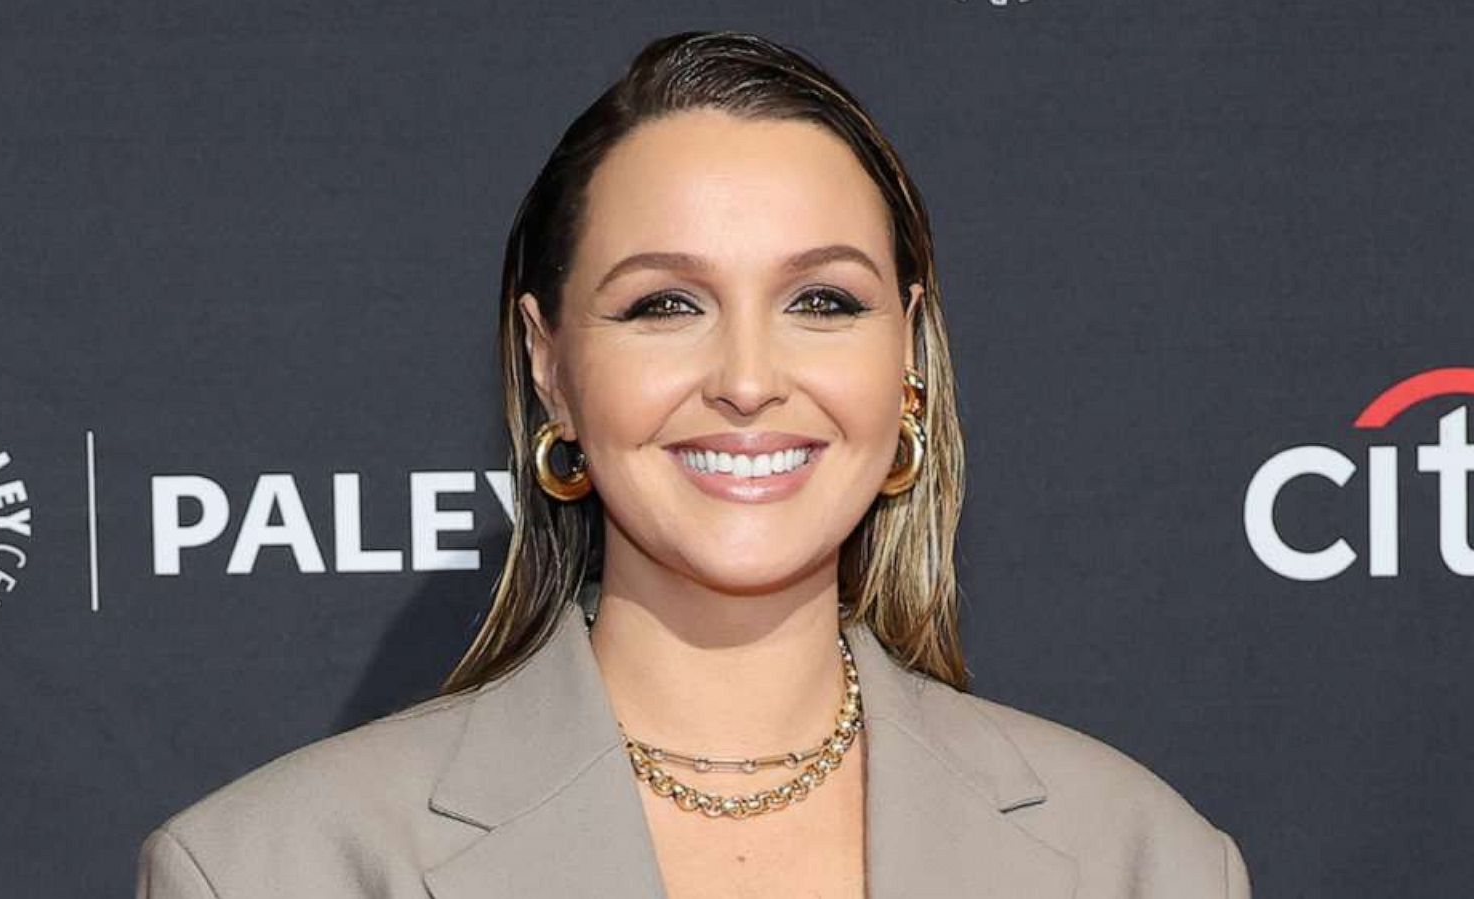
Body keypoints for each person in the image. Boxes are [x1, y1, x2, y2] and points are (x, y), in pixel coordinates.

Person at [136, 29, 1252, 898]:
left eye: (823, 300)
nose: (749, 377)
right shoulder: (270, 866)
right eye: (664, 303)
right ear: (551, 365)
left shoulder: (1140, 860)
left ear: (906, 357)